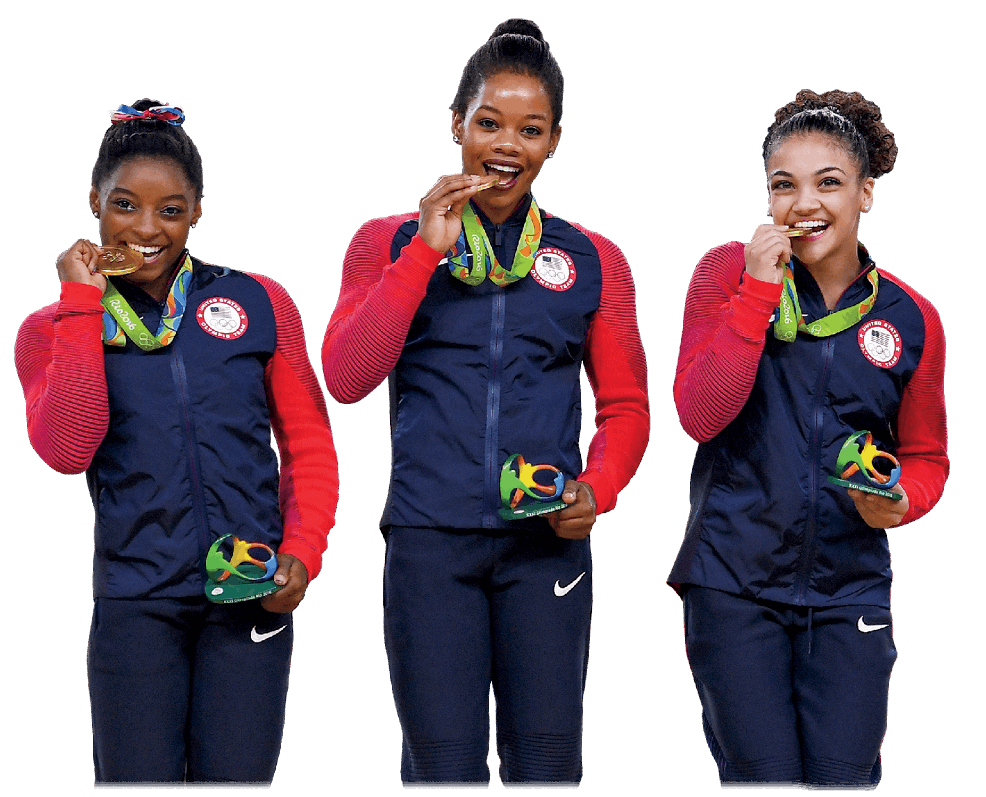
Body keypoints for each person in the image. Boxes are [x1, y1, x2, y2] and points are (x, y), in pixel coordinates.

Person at [322, 19, 649, 789]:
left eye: (530, 129)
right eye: (489, 123)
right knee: (442, 767)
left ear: (555, 141)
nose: (507, 146)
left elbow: (627, 407)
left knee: (547, 763)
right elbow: (346, 377)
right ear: (457, 124)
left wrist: (596, 491)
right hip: (429, 544)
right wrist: (422, 254)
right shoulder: (385, 239)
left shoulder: (595, 258)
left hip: (546, 546)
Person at [14, 99, 339, 788]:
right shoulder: (51, 326)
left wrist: (302, 552)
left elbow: (308, 442)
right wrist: (81, 305)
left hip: (250, 589)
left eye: (171, 209)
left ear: (198, 210)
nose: (147, 228)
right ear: (95, 200)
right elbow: (68, 447)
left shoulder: (259, 301)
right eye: (126, 204)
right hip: (137, 603)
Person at [669, 89, 948, 790]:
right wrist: (759, 294)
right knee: (761, 778)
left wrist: (902, 500)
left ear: (866, 194)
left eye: (828, 182)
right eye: (783, 185)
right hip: (733, 583)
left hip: (850, 589)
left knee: (843, 779)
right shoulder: (727, 272)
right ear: (767, 198)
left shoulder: (913, 318)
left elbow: (928, 457)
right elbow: (700, 414)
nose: (805, 203)